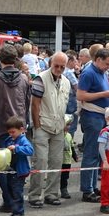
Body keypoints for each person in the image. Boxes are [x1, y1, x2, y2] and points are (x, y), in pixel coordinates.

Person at [0, 45, 32, 212]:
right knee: (17, 167)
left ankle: (8, 201)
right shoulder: (25, 79)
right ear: (16, 60)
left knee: (3, 167)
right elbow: (27, 103)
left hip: (1, 128)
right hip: (19, 128)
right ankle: (16, 201)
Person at [28, 51, 71, 207]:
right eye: (56, 65)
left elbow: (65, 104)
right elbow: (35, 104)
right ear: (50, 64)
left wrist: (65, 122)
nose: (59, 69)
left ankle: (51, 194)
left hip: (59, 127)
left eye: (62, 66)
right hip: (43, 126)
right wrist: (37, 125)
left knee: (56, 161)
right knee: (40, 161)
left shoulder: (66, 82)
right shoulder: (40, 79)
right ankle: (34, 196)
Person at [77, 48, 109, 203]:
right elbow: (81, 95)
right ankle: (87, 190)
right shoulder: (88, 73)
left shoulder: (101, 72)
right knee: (91, 153)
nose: (108, 67)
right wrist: (103, 94)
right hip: (92, 116)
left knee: (97, 153)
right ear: (98, 59)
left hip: (100, 116)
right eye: (107, 64)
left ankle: (92, 187)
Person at [0, 116, 34, 216]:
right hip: (10, 171)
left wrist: (17, 148)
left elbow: (30, 150)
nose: (11, 134)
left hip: (19, 172)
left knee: (17, 193)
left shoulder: (23, 140)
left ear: (21, 129)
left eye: (13, 132)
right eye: (9, 132)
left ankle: (19, 214)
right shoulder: (9, 140)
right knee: (10, 191)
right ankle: (15, 212)